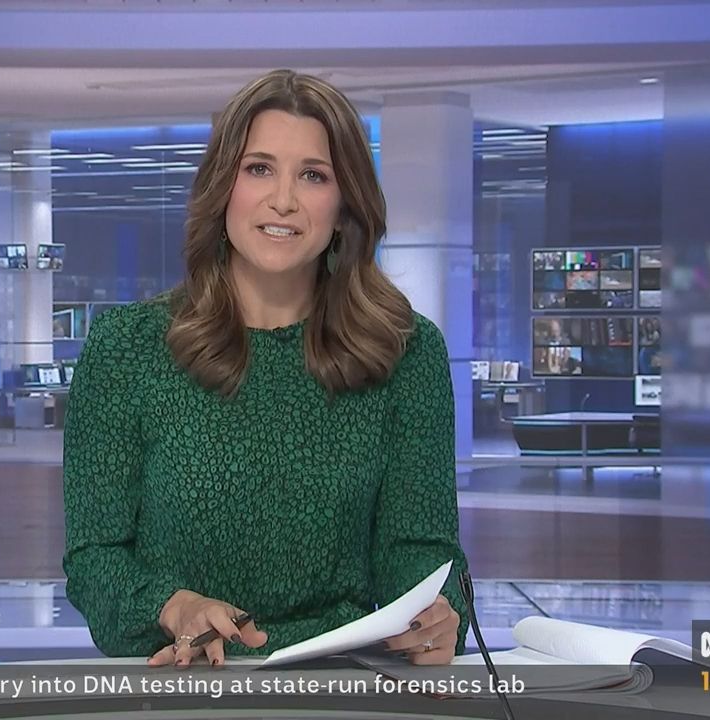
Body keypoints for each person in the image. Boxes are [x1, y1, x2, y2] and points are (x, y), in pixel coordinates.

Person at [63, 69, 469, 669]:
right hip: (183, 683)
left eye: (313, 175)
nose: (283, 200)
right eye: (259, 168)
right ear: (223, 185)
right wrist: (174, 606)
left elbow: (421, 548)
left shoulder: (406, 351)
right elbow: (94, 557)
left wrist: (439, 612)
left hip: (345, 682)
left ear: (345, 203)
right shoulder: (128, 348)